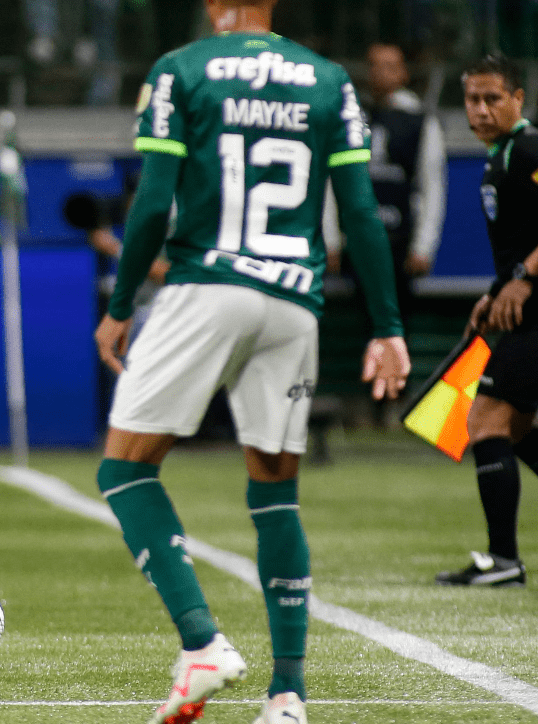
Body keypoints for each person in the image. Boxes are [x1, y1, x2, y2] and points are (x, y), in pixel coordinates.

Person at [92, 2, 410, 722]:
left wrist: (119, 306)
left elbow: (152, 204)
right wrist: (387, 325)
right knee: (275, 491)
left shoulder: (182, 69)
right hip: (295, 298)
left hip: (209, 286)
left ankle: (202, 644)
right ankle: (288, 696)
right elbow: (359, 210)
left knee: (126, 468)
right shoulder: (328, 79)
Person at [435, 55, 538, 588]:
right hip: (524, 308)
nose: (479, 109)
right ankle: (504, 561)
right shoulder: (501, 157)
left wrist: (521, 276)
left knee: (487, 422)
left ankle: (504, 562)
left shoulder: (527, 149)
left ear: (518, 99)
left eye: (492, 98)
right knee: (515, 428)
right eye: (472, 99)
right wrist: (496, 290)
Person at [323, 42, 447, 324]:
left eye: (389, 66)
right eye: (373, 65)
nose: (379, 72)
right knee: (361, 325)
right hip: (356, 242)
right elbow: (332, 182)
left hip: (399, 241)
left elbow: (432, 187)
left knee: (396, 324)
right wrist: (331, 239)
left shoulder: (420, 121)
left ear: (403, 73)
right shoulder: (350, 119)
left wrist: (424, 246)